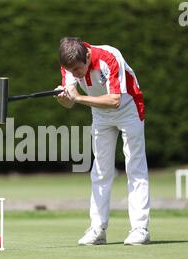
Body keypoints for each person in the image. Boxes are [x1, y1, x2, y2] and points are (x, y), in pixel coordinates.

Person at [55, 37, 151, 245]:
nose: (75, 75)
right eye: (71, 71)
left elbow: (115, 100)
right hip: (100, 114)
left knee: (134, 166)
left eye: (78, 70)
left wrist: (77, 99)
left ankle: (140, 228)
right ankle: (98, 229)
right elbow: (70, 100)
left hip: (129, 109)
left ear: (87, 56)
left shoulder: (109, 57)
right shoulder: (69, 66)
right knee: (100, 170)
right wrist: (66, 100)